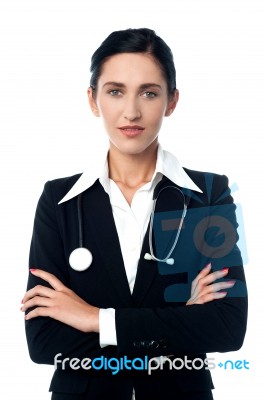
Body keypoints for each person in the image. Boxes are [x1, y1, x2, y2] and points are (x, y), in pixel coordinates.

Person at [21, 28, 247, 400]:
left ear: (171, 101)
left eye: (149, 92)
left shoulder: (207, 195)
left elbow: (227, 328)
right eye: (115, 91)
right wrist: (180, 324)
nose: (131, 111)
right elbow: (43, 342)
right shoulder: (59, 199)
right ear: (93, 100)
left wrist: (94, 319)